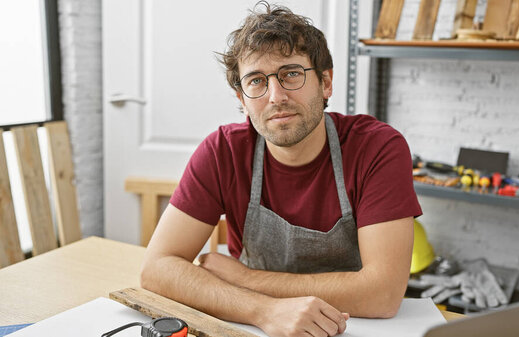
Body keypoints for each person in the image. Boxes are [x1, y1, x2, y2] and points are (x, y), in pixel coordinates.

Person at [140, 2, 422, 336]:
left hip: (353, 327)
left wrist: (245, 280)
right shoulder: (223, 152)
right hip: (252, 326)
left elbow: (383, 294)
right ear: (242, 99)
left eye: (291, 74)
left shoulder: (377, 149)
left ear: (326, 82)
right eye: (257, 81)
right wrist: (264, 311)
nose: (276, 96)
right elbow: (156, 270)